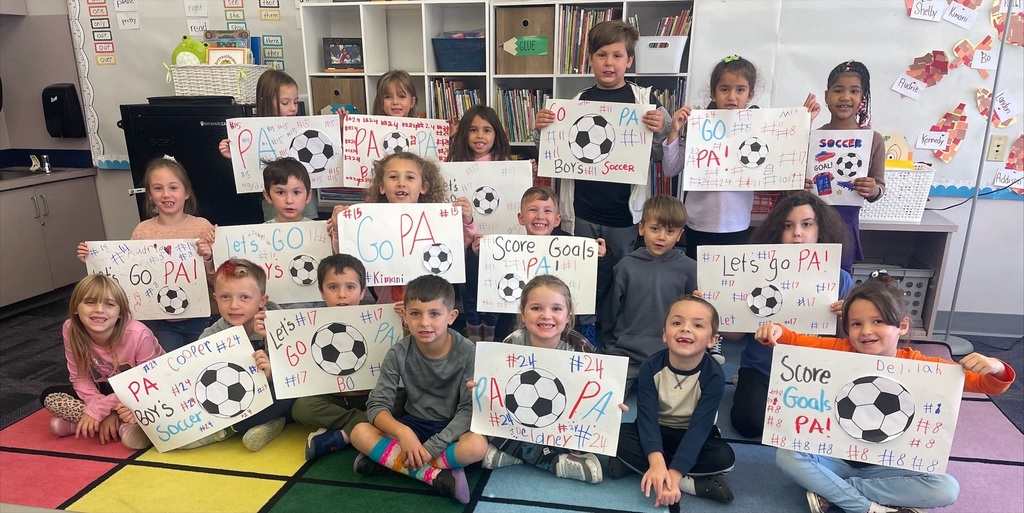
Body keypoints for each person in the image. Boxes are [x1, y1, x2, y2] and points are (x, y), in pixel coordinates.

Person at [755, 278, 1016, 513]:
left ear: (902, 326)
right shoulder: (838, 351)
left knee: (946, 488)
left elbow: (986, 384)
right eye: (856, 324)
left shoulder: (922, 366)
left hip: (888, 465)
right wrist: (776, 332)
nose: (866, 331)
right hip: (834, 457)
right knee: (787, 455)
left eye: (878, 321)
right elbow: (795, 342)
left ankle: (834, 492)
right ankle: (867, 507)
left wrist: (996, 367)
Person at [661, 55, 820, 363]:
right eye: (724, 89)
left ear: (750, 95)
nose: (731, 97)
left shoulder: (759, 128)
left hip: (735, 225)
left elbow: (778, 161)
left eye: (740, 90)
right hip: (699, 223)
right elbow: (670, 169)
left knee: (727, 286)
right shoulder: (699, 126)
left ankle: (716, 339)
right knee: (701, 287)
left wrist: (801, 125)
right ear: (713, 92)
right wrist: (675, 131)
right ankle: (697, 335)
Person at [534, 20, 671, 347]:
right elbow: (553, 153)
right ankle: (583, 331)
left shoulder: (645, 100)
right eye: (601, 55)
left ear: (629, 60)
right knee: (580, 277)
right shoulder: (576, 101)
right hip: (581, 212)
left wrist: (663, 128)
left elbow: (660, 154)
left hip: (624, 216)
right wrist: (542, 130)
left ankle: (614, 335)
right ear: (590, 59)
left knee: (619, 280)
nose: (609, 63)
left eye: (617, 55)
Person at [349, 275, 488, 504]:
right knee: (359, 432)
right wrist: (404, 433)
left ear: (452, 316)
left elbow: (467, 409)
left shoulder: (468, 351)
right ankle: (436, 475)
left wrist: (433, 447)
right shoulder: (398, 352)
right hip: (413, 424)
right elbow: (377, 405)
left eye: (434, 314)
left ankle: (393, 462)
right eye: (415, 313)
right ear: (404, 316)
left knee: (477, 446)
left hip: (452, 428)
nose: (424, 322)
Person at [729, 191, 852, 438]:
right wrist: (713, 308)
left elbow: (846, 340)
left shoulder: (839, 278)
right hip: (762, 367)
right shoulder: (755, 272)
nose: (797, 233)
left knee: (824, 425)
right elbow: (733, 335)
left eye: (806, 225)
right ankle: (746, 384)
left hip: (815, 370)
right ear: (777, 232)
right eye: (788, 226)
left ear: (820, 230)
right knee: (748, 423)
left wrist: (843, 315)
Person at [607, 295, 736, 507]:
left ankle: (651, 472)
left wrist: (675, 474)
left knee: (724, 458)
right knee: (615, 436)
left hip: (690, 433)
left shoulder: (714, 375)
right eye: (677, 323)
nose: (685, 329)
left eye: (697, 325)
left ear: (712, 340)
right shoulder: (650, 366)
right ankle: (687, 481)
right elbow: (647, 418)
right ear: (665, 334)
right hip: (655, 430)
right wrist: (656, 460)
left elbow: (699, 429)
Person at [76, 157, 216, 351]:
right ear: (150, 195)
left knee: (203, 361)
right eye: (158, 188)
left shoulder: (203, 227)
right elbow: (128, 274)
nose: (166, 194)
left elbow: (219, 280)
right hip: (160, 320)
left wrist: (209, 258)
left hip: (202, 316)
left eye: (173, 187)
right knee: (167, 363)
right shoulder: (143, 231)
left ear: (186, 192)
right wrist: (94, 258)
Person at [473, 275, 604, 483]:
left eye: (556, 309)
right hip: (521, 423)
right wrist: (481, 390)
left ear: (568, 315)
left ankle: (516, 454)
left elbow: (595, 393)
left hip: (561, 426)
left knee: (594, 435)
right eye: (536, 308)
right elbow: (498, 395)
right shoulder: (512, 344)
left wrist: (609, 405)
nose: (546, 315)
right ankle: (554, 462)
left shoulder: (580, 347)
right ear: (523, 313)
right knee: (484, 425)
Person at [331, 152, 478, 315]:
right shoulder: (368, 222)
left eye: (410, 177)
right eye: (393, 177)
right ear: (381, 187)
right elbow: (349, 258)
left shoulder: (438, 220)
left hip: (429, 311)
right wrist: (339, 229)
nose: (401, 183)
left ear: (423, 187)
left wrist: (467, 221)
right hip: (388, 309)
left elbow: (460, 248)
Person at [292, 254, 407, 461]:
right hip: (333, 397)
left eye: (350, 287)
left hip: (372, 396)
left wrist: (406, 325)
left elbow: (406, 352)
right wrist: (269, 336)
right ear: (321, 291)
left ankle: (342, 435)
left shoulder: (381, 318)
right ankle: (362, 424)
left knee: (402, 396)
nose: (342, 295)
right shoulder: (308, 323)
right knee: (301, 408)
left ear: (362, 291)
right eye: (333, 287)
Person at [472, 186, 614, 345]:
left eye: (547, 211)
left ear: (557, 220)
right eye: (533, 210)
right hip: (513, 326)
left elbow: (598, 293)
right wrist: (477, 257)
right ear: (521, 218)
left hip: (562, 332)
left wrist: (602, 260)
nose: (540, 216)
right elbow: (476, 290)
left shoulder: (575, 250)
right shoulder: (504, 250)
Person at [40, 274, 162, 450]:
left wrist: (100, 409)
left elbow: (148, 383)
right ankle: (115, 424)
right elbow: (79, 377)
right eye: (90, 302)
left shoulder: (139, 334)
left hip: (147, 389)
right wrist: (101, 409)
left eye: (109, 304)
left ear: (120, 313)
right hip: (109, 387)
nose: (99, 309)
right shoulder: (71, 329)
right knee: (50, 396)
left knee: (148, 405)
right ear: (76, 308)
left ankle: (100, 423)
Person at [184, 259, 292, 452]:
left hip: (273, 392)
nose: (234, 305)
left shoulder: (281, 323)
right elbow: (194, 376)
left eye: (244, 297)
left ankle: (226, 431)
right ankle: (271, 423)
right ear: (216, 298)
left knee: (288, 397)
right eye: (225, 297)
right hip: (234, 399)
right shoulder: (211, 336)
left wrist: (271, 371)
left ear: (262, 301)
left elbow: (296, 371)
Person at [605, 195, 699, 391]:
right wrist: (609, 345)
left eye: (670, 231)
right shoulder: (626, 266)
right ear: (641, 228)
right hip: (625, 353)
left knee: (674, 406)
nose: (661, 237)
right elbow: (610, 311)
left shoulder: (691, 268)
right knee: (603, 400)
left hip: (671, 354)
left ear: (680, 234)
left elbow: (697, 317)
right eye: (655, 229)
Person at [805, 60, 885, 272]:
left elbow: (879, 188)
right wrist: (797, 185)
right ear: (826, 96)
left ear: (862, 98)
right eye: (838, 90)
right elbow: (791, 185)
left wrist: (873, 189)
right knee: (803, 278)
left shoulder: (873, 140)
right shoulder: (811, 137)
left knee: (840, 281)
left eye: (854, 91)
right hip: (807, 226)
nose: (845, 97)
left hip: (845, 230)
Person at [448, 105, 513, 342]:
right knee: (469, 290)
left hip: (496, 243)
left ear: (496, 134)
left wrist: (529, 172)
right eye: (473, 130)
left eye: (487, 130)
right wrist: (450, 138)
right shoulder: (454, 163)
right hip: (464, 243)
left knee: (496, 286)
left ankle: (492, 330)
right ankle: (473, 329)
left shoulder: (505, 164)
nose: (480, 136)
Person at [219, 70, 318, 222]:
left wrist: (339, 127)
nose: (293, 108)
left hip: (304, 202)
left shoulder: (303, 128)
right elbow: (250, 168)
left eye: (296, 102)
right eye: (285, 103)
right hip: (275, 205)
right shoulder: (253, 132)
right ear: (266, 101)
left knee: (308, 230)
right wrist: (236, 156)